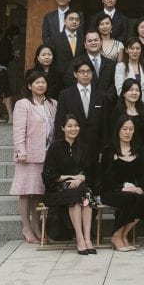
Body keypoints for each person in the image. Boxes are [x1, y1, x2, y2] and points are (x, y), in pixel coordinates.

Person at [10, 70, 57, 242]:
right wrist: (20, 151)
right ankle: (26, 228)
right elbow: (18, 130)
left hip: (46, 154)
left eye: (43, 82)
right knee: (25, 192)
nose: (40, 85)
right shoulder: (23, 104)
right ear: (29, 86)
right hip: (28, 155)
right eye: (36, 82)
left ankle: (38, 228)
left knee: (38, 193)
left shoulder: (52, 104)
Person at [42, 114, 96, 255]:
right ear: (63, 128)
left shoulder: (84, 147)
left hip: (80, 188)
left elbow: (91, 173)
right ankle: (80, 238)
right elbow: (48, 175)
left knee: (84, 194)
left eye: (76, 125)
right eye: (70, 126)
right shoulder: (55, 148)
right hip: (57, 191)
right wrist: (71, 177)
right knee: (79, 196)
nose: (73, 129)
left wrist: (80, 179)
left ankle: (87, 238)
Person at [54, 57, 108, 189]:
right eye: (82, 71)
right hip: (73, 145)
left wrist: (104, 149)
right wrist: (62, 145)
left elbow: (105, 124)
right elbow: (59, 122)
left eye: (88, 71)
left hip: (94, 147)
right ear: (75, 74)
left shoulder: (101, 95)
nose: (85, 74)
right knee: (74, 183)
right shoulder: (65, 95)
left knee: (94, 182)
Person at [99, 117, 144, 251]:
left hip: (132, 190)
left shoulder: (138, 149)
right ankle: (117, 235)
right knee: (128, 198)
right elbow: (104, 177)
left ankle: (123, 234)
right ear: (118, 130)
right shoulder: (109, 150)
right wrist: (122, 188)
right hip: (111, 190)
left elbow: (142, 175)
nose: (128, 132)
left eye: (131, 129)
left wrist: (140, 187)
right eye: (124, 129)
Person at [64, 29, 116, 95]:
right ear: (85, 45)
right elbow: (69, 82)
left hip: (106, 102)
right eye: (89, 41)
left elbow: (114, 85)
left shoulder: (111, 64)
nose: (93, 43)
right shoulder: (75, 63)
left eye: (96, 40)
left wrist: (104, 99)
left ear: (101, 42)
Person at [114, 37, 144, 114]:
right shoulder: (121, 67)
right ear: (126, 50)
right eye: (132, 48)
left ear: (141, 50)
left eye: (138, 48)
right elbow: (120, 90)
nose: (135, 51)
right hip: (127, 108)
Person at [110, 79, 144, 149]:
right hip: (121, 150)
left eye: (137, 90)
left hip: (140, 150)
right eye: (131, 90)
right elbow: (113, 134)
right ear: (124, 93)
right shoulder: (117, 111)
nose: (134, 93)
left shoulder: (142, 109)